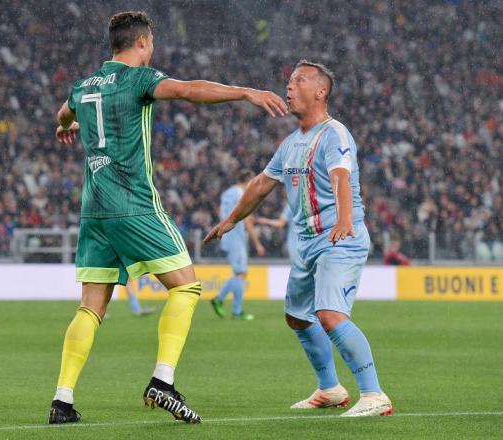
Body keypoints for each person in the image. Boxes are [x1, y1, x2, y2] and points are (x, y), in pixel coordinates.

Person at [50, 11, 287, 424]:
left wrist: (63, 127)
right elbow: (189, 90)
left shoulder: (84, 85)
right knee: (187, 286)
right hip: (134, 204)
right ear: (141, 43)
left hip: (94, 211)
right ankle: (162, 381)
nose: (153, 48)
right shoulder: (139, 79)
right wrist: (245, 92)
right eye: (152, 42)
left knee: (90, 308)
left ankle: (62, 401)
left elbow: (63, 114)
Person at [204, 60, 393, 417]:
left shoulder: (335, 133)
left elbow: (341, 176)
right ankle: (330, 389)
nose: (289, 87)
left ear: (320, 91)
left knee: (330, 314)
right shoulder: (291, 143)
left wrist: (344, 219)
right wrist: (230, 220)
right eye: (289, 81)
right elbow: (260, 185)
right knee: (297, 317)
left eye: (299, 80)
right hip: (307, 243)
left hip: (340, 237)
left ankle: (374, 395)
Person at [210, 169, 265, 321]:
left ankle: (219, 299)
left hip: (227, 237)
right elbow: (246, 220)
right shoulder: (242, 194)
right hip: (236, 237)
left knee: (238, 273)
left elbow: (221, 212)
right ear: (247, 180)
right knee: (241, 274)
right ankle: (237, 311)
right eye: (252, 181)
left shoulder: (227, 193)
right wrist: (257, 243)